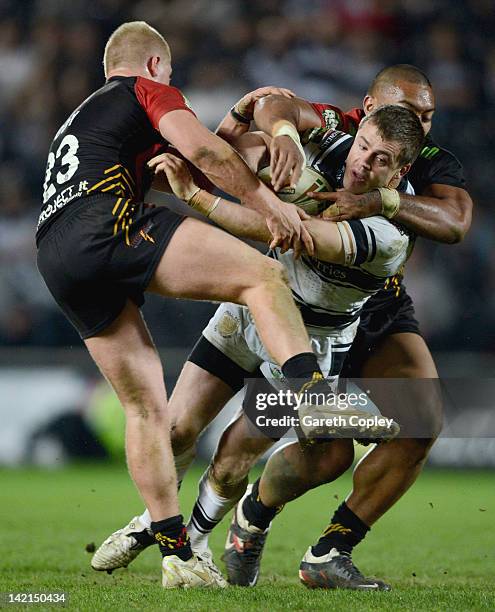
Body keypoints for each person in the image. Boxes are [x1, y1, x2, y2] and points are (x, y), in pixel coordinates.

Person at [89, 65, 473, 590]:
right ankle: (160, 527)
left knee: (260, 451)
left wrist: (198, 197)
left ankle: (221, 536)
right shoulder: (335, 136)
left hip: (313, 338)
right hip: (256, 305)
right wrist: (275, 137)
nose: (416, 126)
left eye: (425, 118)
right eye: (395, 120)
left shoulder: (395, 225)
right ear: (367, 111)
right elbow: (274, 108)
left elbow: (448, 223)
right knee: (177, 430)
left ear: (403, 164)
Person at [36, 20, 366, 589]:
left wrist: (236, 120)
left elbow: (192, 161)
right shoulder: (147, 90)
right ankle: (312, 397)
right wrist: (270, 207)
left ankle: (176, 554)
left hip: (56, 253)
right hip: (107, 225)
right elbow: (207, 154)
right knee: (262, 276)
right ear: (155, 66)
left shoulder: (88, 117)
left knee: (147, 410)